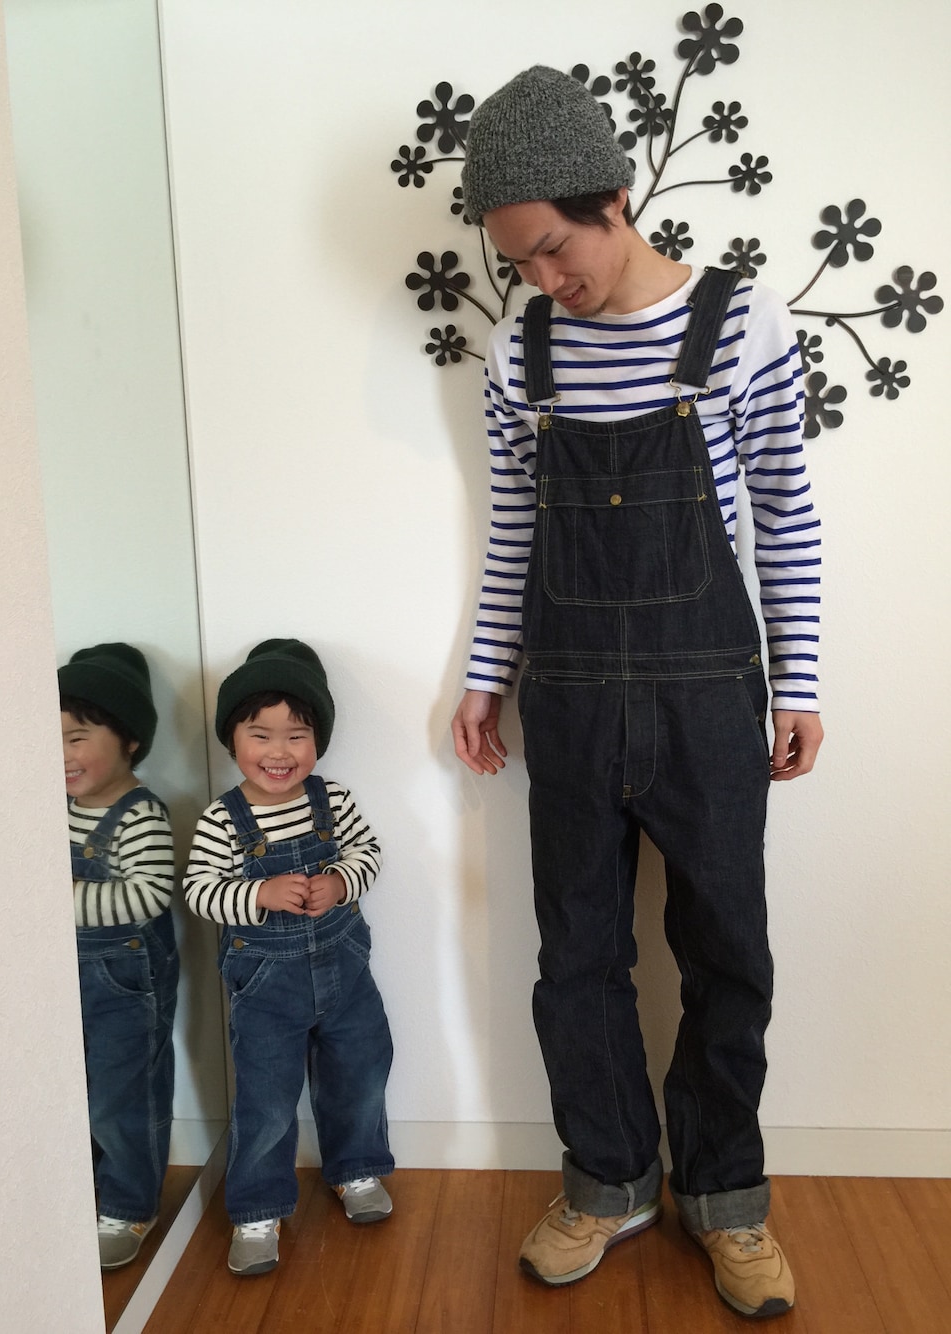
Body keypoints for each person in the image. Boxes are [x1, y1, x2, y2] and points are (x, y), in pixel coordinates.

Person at [451, 66, 823, 1320]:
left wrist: (800, 682)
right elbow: (513, 526)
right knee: (577, 952)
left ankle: (725, 1196)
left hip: (710, 689)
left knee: (725, 951)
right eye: (518, 260)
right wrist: (487, 673)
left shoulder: (743, 322)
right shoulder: (521, 350)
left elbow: (785, 511)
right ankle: (605, 1179)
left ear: (613, 198)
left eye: (554, 248)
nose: (543, 278)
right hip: (564, 692)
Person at [185, 638, 394, 1277]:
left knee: (360, 1071)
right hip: (265, 986)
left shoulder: (334, 800)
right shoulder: (223, 819)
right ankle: (257, 1209)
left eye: (296, 736)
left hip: (345, 972)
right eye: (261, 735)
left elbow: (368, 854)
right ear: (232, 740)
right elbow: (199, 891)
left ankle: (356, 1169)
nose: (279, 752)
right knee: (267, 1098)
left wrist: (340, 882)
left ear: (317, 742)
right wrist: (260, 894)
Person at [59, 642, 178, 1270]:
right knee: (70, 1087)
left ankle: (129, 1204)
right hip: (63, 974)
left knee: (121, 1094)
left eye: (77, 738)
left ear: (129, 739)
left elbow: (151, 894)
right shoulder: (56, 810)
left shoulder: (140, 815)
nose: (62, 754)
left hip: (125, 980)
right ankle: (81, 1188)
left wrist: (58, 900)